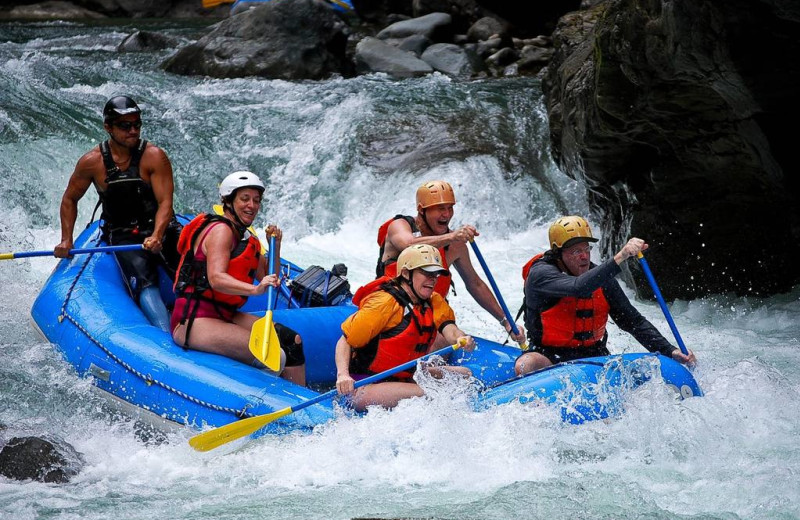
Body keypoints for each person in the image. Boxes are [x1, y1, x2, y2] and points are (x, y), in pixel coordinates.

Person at [54, 95, 182, 332]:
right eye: (125, 126)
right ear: (108, 127)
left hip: (160, 227)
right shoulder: (91, 162)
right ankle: (166, 335)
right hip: (123, 234)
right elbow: (70, 199)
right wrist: (66, 239)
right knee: (145, 281)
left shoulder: (154, 156)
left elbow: (165, 202)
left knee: (191, 271)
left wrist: (157, 235)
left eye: (137, 124)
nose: (133, 131)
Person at [514, 216, 697, 376]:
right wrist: (622, 255)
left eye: (587, 249)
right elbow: (578, 287)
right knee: (525, 365)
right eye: (576, 251)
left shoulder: (600, 278)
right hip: (549, 356)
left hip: (594, 356)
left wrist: (669, 350)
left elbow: (633, 322)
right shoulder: (541, 275)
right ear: (558, 253)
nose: (584, 256)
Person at [170, 171, 306, 385]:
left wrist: (275, 246)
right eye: (244, 199)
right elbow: (216, 278)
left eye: (256, 200)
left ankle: (299, 405)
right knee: (274, 356)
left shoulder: (244, 235)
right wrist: (254, 290)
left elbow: (270, 277)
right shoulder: (221, 230)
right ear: (228, 201)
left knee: (291, 341)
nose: (252, 205)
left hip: (224, 313)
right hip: (195, 319)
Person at [376, 180, 525, 345]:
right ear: (421, 210)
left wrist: (505, 321)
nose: (446, 215)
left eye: (450, 208)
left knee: (453, 340)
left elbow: (475, 284)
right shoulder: (400, 226)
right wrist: (452, 237)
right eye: (440, 209)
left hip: (430, 316)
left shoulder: (455, 245)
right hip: (392, 310)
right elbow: (408, 244)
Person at [335, 244, 476, 411]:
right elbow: (345, 341)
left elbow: (450, 329)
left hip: (404, 377)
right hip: (364, 386)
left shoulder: (434, 301)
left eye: (435, 274)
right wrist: (342, 375)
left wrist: (460, 338)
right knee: (432, 392)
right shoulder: (384, 303)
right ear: (406, 273)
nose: (432, 279)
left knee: (465, 374)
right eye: (426, 272)